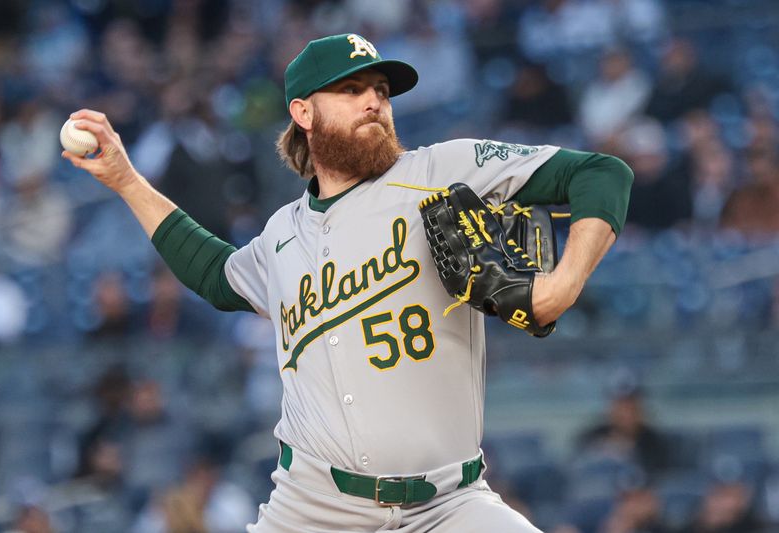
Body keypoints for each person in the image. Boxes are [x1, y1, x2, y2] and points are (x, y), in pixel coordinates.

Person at [63, 33, 632, 532]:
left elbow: (601, 173)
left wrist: (559, 287)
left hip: (448, 506)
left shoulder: (440, 172)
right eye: (352, 89)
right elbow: (216, 275)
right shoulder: (282, 234)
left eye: (381, 90)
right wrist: (126, 179)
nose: (374, 102)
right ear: (304, 112)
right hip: (312, 508)